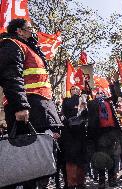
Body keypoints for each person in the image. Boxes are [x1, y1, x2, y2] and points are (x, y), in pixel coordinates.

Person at [0, 18, 62, 188]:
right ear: (19, 31)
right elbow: (11, 76)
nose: (33, 31)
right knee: (30, 163)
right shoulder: (11, 45)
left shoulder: (29, 48)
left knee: (43, 161)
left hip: (40, 110)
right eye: (29, 28)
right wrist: (20, 106)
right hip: (28, 111)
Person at [86, 87, 121, 189]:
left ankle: (112, 179)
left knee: (112, 157)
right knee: (100, 158)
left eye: (101, 93)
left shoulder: (109, 102)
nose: (100, 94)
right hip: (99, 135)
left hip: (111, 132)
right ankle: (102, 181)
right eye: (98, 93)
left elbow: (115, 96)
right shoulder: (92, 104)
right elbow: (88, 104)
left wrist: (112, 85)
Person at [61, 86, 87, 189]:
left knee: (81, 159)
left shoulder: (83, 99)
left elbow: (86, 115)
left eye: (77, 88)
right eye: (73, 88)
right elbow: (64, 115)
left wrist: (84, 105)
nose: (75, 90)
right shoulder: (66, 101)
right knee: (71, 160)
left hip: (80, 134)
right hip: (70, 134)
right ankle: (72, 183)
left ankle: (81, 183)